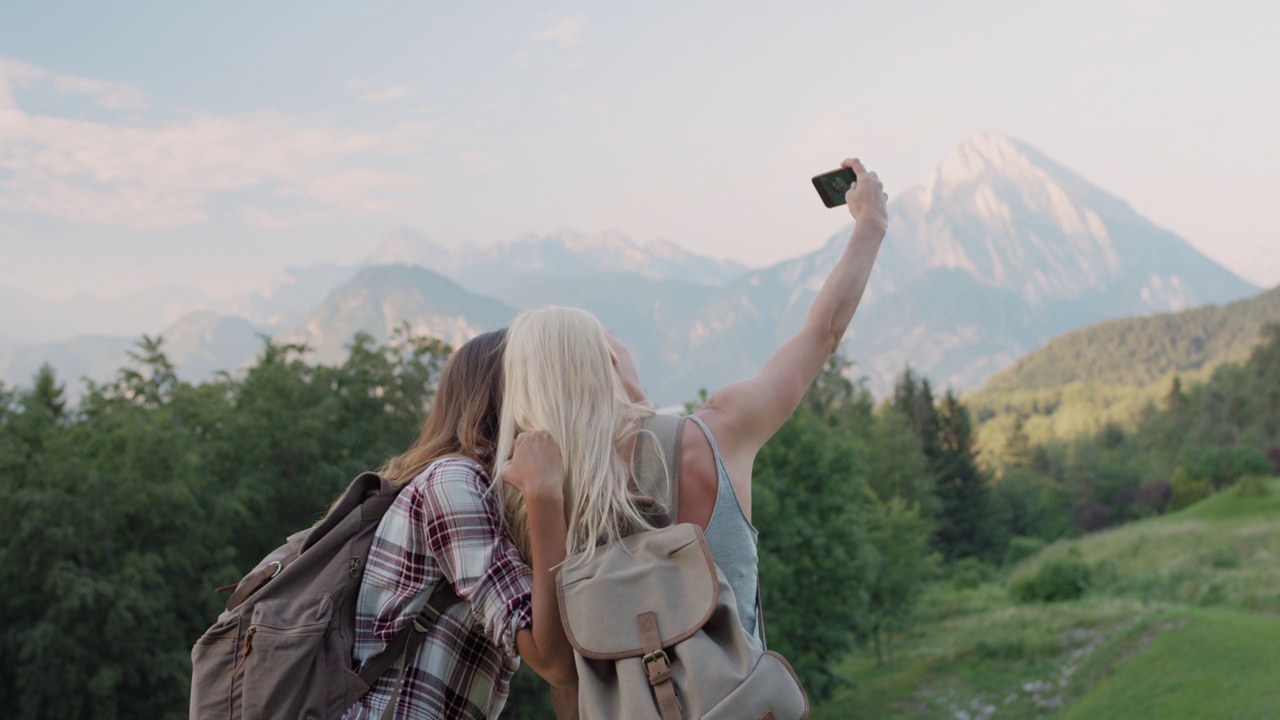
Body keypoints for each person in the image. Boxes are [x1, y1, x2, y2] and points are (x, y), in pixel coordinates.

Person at [493, 157, 888, 642]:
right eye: (616, 340)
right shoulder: (716, 432)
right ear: (611, 365)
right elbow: (822, 333)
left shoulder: (533, 500)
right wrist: (870, 225)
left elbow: (558, 664)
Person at [343, 329, 575, 720]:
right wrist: (544, 495)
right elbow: (554, 661)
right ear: (509, 394)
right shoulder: (454, 483)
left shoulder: (481, 487)